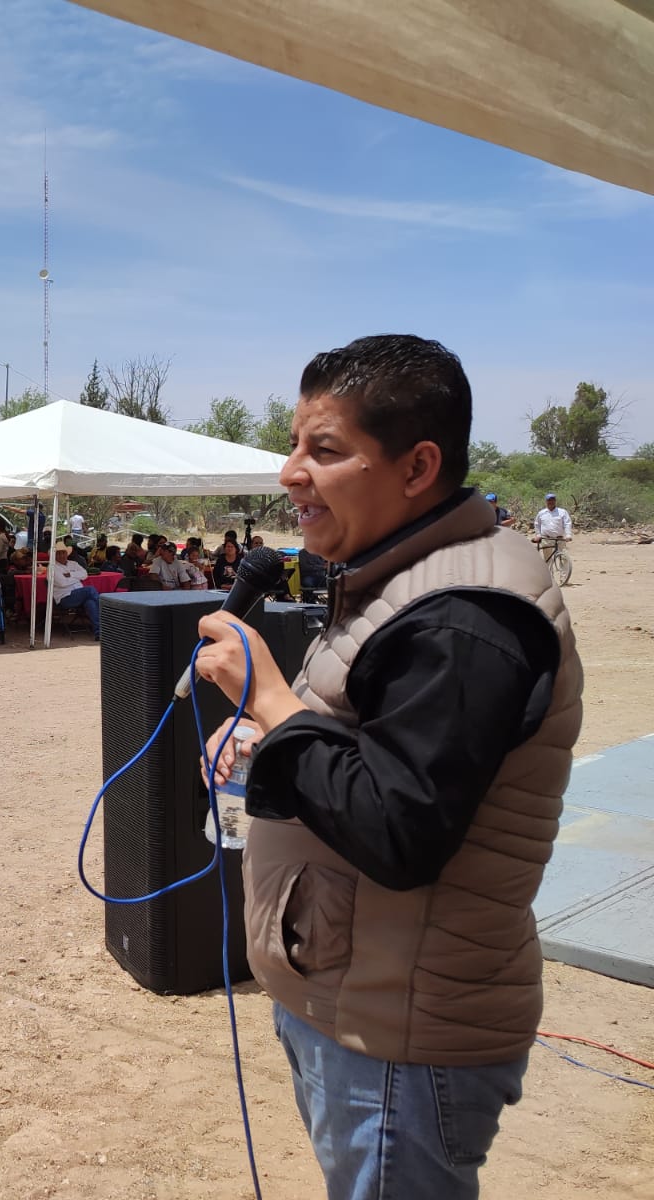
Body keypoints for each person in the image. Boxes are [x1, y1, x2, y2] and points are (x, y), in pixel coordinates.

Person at [192, 334, 581, 1200]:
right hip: (354, 999)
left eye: (325, 450)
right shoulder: (398, 579)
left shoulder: (464, 615)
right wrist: (266, 737)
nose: (291, 472)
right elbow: (372, 748)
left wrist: (271, 704)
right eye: (294, 445)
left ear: (417, 467)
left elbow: (401, 829)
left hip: (402, 1033)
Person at [47, 543, 101, 639]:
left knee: (91, 603)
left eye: (63, 553)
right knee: (90, 590)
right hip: (65, 598)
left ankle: (99, 633)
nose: (61, 555)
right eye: (58, 553)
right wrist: (77, 577)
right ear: (54, 555)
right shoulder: (52, 567)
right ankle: (108, 616)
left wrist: (71, 575)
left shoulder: (73, 564)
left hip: (79, 595)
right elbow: (62, 583)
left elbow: (85, 574)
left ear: (66, 553)